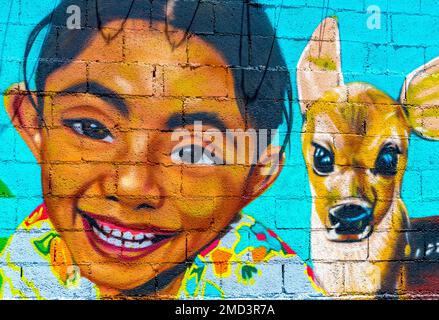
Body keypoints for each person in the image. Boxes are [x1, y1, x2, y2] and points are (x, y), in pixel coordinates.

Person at [0, 0, 322, 299]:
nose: (131, 186)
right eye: (92, 129)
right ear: (31, 125)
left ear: (257, 177)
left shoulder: (267, 284)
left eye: (194, 152)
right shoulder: (32, 255)